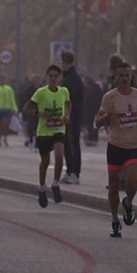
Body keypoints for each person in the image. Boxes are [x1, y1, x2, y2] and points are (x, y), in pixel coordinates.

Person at [92, 62, 137, 236]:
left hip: (135, 145)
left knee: (132, 183)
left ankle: (128, 202)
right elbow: (97, 122)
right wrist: (107, 116)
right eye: (121, 75)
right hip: (115, 145)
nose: (124, 78)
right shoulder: (109, 97)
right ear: (115, 77)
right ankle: (114, 221)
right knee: (113, 184)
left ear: (131, 77)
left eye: (127, 75)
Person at [23, 64, 71, 207]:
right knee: (45, 162)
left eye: (56, 76)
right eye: (50, 76)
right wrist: (39, 114)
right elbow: (27, 108)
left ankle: (55, 184)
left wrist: (67, 115)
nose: (53, 79)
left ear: (60, 78)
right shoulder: (40, 92)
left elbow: (68, 103)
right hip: (44, 132)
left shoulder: (64, 91)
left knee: (59, 156)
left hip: (59, 129)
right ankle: (42, 188)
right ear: (46, 77)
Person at [59, 52, 83, 184]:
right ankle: (69, 171)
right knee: (67, 144)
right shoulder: (67, 77)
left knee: (73, 144)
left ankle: (75, 172)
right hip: (66, 115)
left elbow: (72, 99)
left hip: (72, 116)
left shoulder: (72, 78)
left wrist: (69, 114)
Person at [0, 77, 18, 146]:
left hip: (7, 108)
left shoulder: (9, 89)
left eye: (3, 79)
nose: (2, 81)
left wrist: (14, 108)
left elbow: (12, 98)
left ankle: (5, 137)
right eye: (1, 79)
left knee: (6, 124)